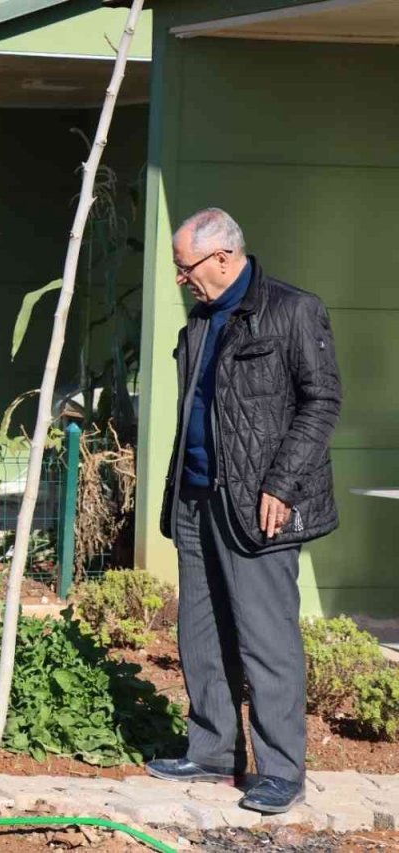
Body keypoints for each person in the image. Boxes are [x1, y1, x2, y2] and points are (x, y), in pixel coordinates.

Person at [146, 208, 342, 813]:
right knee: (200, 633)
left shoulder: (291, 309)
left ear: (223, 258)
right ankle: (211, 750)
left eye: (186, 268)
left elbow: (322, 401)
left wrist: (281, 485)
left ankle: (281, 770)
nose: (181, 279)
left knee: (267, 639)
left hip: (262, 505)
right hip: (197, 496)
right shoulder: (203, 318)